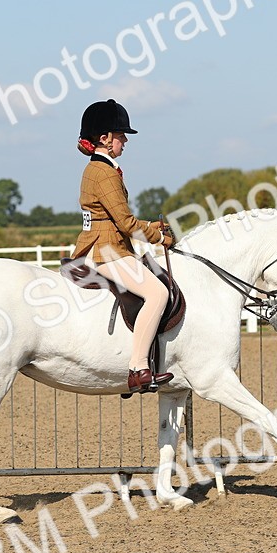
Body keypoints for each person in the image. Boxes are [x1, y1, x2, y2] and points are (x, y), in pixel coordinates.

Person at [73, 99, 175, 395]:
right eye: (121, 135)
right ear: (104, 138)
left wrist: (152, 226)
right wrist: (161, 239)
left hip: (108, 244)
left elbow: (116, 218)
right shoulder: (103, 172)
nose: (125, 141)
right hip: (107, 251)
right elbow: (127, 223)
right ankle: (138, 367)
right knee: (158, 293)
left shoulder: (101, 168)